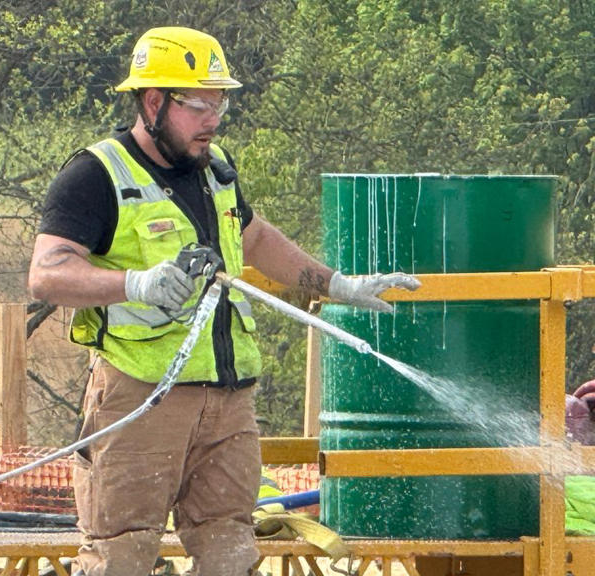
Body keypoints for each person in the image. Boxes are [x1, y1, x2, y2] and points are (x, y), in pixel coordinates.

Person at [28, 26, 420, 576]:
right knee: (122, 552)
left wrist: (335, 285)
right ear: (153, 102)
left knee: (230, 548)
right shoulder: (96, 174)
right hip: (141, 395)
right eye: (199, 106)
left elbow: (253, 237)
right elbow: (46, 274)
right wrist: (136, 283)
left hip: (227, 399)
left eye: (219, 105)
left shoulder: (214, 167)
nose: (212, 120)